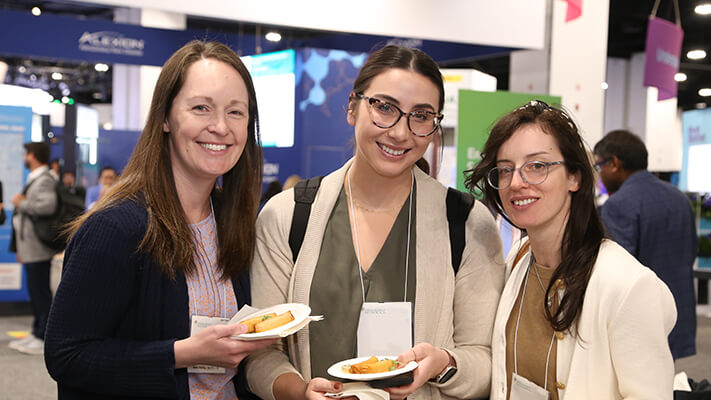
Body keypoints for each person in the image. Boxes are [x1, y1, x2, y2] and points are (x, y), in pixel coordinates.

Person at [247, 45, 505, 400]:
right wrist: (301, 391)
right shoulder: (288, 215)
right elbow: (262, 353)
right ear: (352, 107)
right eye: (384, 107)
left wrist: (443, 363)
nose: (400, 132)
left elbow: (486, 361)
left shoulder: (466, 223)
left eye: (421, 115)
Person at [44, 40, 276, 399]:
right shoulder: (116, 228)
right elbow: (67, 356)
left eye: (236, 112)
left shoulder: (235, 221)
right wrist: (182, 354)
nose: (220, 127)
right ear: (166, 117)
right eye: (201, 108)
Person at [465, 100, 677, 399]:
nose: (516, 182)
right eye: (504, 169)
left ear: (575, 177)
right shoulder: (519, 259)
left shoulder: (625, 285)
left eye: (537, 166)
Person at [594, 129, 697, 360]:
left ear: (615, 164)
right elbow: (691, 251)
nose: (600, 175)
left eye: (599, 166)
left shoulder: (619, 204)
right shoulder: (680, 199)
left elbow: (616, 271)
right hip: (678, 318)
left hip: (640, 321)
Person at [8, 142, 58, 355]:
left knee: (40, 292)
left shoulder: (44, 179)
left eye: (26, 154)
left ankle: (44, 335)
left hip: (38, 247)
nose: (24, 157)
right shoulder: (36, 178)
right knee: (35, 291)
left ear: (33, 155)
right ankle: (37, 330)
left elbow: (48, 206)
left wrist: (22, 203)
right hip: (29, 246)